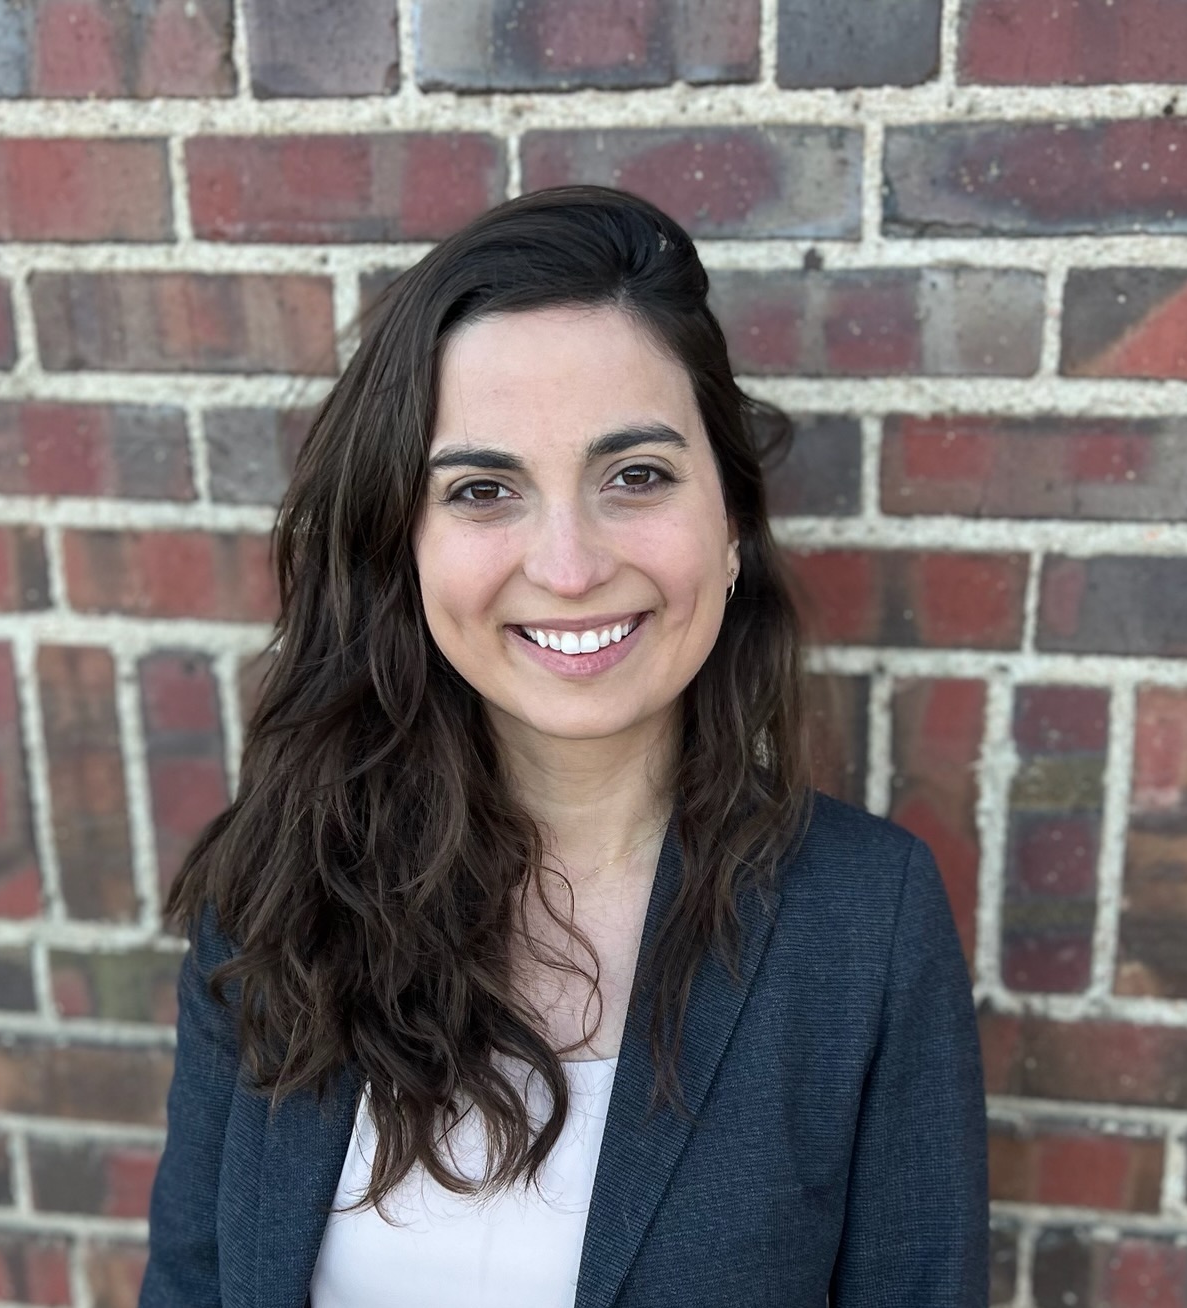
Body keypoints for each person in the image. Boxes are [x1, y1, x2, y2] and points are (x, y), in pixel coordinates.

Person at [139, 185, 988, 1308]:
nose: (570, 565)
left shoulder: (862, 925)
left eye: (633, 476)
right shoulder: (274, 892)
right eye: (483, 490)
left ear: (729, 524)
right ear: (408, 548)